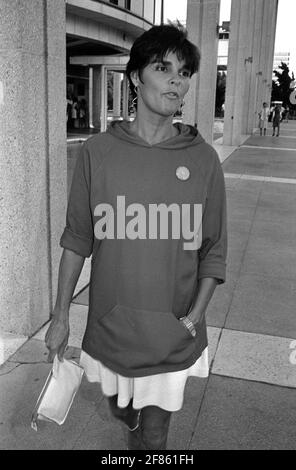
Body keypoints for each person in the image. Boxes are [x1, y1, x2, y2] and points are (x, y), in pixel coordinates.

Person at [45, 23, 227, 450]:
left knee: (156, 436)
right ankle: (129, 427)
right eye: (163, 68)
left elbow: (214, 250)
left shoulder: (202, 160)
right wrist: (59, 317)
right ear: (135, 77)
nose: (176, 81)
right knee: (122, 411)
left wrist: (193, 317)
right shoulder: (98, 152)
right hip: (112, 328)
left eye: (183, 73)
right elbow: (76, 240)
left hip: (172, 332)